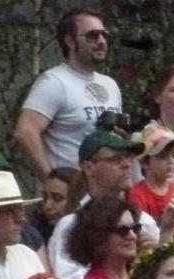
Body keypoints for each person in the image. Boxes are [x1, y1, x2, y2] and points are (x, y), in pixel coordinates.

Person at [14, 8, 122, 177]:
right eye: (92, 35)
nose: (101, 41)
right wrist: (50, 179)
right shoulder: (54, 82)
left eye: (104, 35)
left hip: (104, 192)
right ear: (70, 41)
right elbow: (25, 131)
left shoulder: (110, 85)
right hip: (70, 193)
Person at [49, 130, 163, 279]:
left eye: (128, 157)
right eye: (115, 159)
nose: (127, 164)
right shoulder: (71, 226)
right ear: (88, 167)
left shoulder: (144, 221)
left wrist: (152, 258)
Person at [127, 126, 174, 223]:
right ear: (145, 163)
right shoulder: (137, 196)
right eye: (163, 156)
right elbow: (143, 232)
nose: (171, 161)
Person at [31, 166, 80, 245]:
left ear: (77, 200)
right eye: (45, 197)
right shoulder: (33, 232)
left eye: (57, 198)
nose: (47, 206)